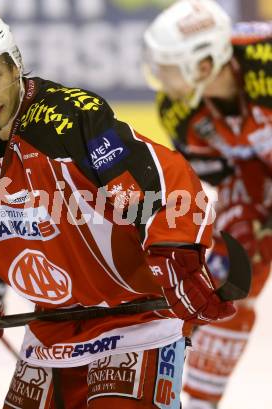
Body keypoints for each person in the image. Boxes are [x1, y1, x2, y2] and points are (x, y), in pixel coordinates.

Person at [0, 4, 236, 409]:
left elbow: (159, 182)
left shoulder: (70, 119)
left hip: (136, 318)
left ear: (15, 65)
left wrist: (176, 255)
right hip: (50, 326)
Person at [143, 1, 272, 408]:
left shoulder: (265, 61)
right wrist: (247, 222)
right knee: (231, 276)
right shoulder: (177, 109)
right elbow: (229, 174)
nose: (161, 79)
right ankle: (198, 400)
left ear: (204, 64)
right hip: (256, 175)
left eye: (169, 66)